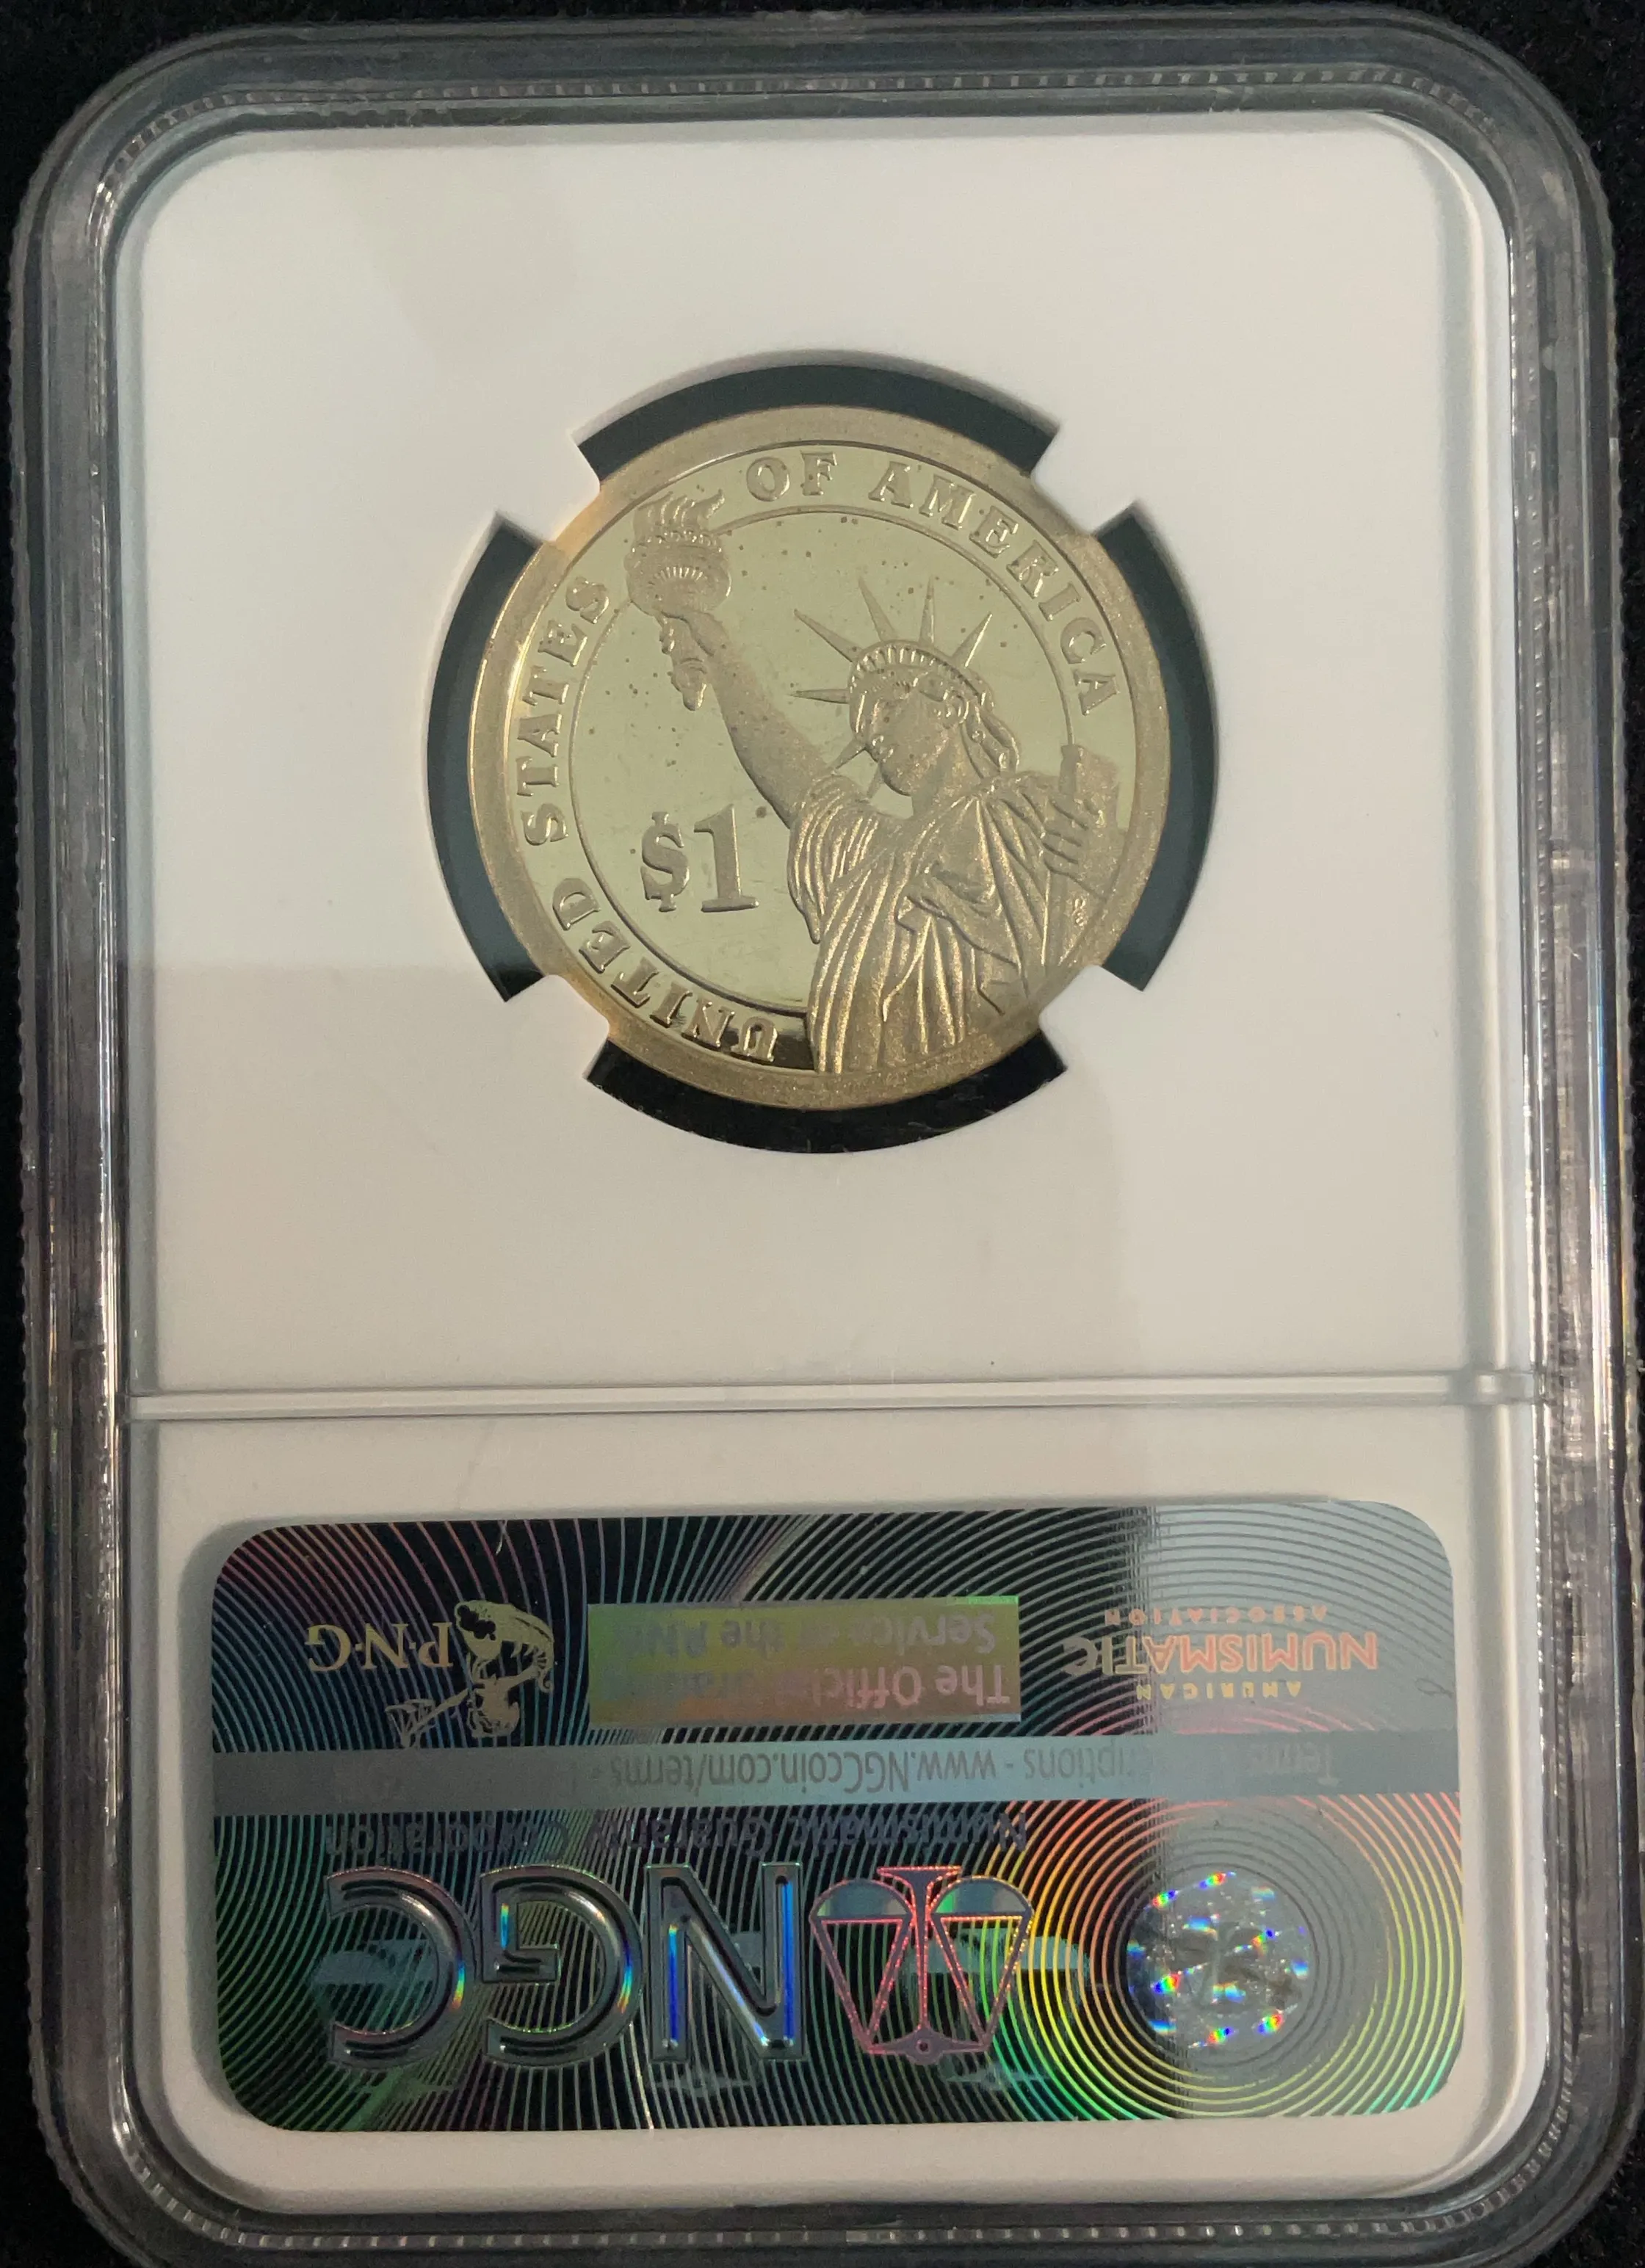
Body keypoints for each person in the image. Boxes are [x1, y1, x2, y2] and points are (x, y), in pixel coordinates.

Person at [636, 510, 1125, 1078]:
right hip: (869, 1088)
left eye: (889, 711)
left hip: (1009, 1086)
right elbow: (797, 781)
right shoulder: (874, 854)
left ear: (949, 702)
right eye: (865, 732)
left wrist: (1103, 865)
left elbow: (1106, 901)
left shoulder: (1022, 808)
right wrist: (722, 659)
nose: (875, 739)